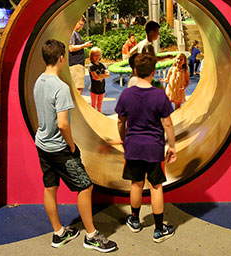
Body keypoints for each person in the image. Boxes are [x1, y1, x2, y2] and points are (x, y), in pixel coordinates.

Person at [33, 39, 117, 252]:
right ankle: (91, 235)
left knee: (50, 187)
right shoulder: (60, 87)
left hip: (42, 144)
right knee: (85, 186)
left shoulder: (39, 82)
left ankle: (58, 232)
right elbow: (62, 123)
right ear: (61, 58)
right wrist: (71, 146)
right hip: (59, 147)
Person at [115, 53, 177, 243]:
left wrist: (125, 139)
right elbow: (167, 124)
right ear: (153, 72)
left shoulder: (126, 94)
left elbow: (120, 121)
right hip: (153, 147)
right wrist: (172, 146)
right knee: (156, 186)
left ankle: (134, 220)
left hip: (133, 146)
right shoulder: (159, 95)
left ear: (134, 71)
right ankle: (159, 230)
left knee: (136, 183)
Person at [69, 16, 92, 94]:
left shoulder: (75, 33)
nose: (81, 27)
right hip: (76, 64)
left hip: (78, 64)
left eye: (82, 25)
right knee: (78, 88)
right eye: (80, 24)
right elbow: (71, 48)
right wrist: (84, 45)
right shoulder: (73, 33)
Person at [88, 47, 109, 113]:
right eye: (95, 55)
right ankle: (93, 116)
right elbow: (95, 77)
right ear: (92, 56)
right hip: (94, 89)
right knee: (93, 105)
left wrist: (100, 76)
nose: (97, 57)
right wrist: (103, 76)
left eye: (98, 55)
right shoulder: (91, 66)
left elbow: (108, 75)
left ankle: (99, 113)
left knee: (99, 105)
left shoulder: (102, 65)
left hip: (101, 88)